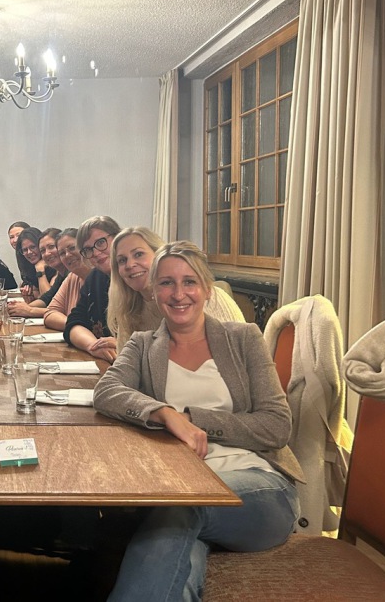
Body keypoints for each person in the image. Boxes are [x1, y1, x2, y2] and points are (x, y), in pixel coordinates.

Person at [94, 240, 302, 601]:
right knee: (176, 544)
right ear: (154, 292)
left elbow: (276, 426)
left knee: (179, 507)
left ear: (207, 289)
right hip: (177, 490)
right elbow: (106, 391)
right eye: (166, 283)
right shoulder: (142, 344)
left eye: (189, 282)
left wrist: (194, 419)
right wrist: (165, 413)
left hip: (259, 488)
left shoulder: (243, 339)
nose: (179, 294)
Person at [108, 227, 245, 352]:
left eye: (138, 254)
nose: (130, 264)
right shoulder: (128, 310)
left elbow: (238, 355)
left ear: (159, 255)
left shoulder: (206, 296)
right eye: (122, 260)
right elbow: (125, 362)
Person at [63, 215, 122, 362]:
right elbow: (74, 322)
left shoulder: (135, 277)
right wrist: (93, 346)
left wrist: (125, 344)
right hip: (107, 362)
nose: (95, 253)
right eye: (88, 249)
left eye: (101, 242)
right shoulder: (95, 277)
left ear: (118, 238)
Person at [9, 228, 67, 318]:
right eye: (43, 250)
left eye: (51, 247)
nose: (47, 253)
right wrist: (18, 308)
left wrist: (29, 310)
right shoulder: (61, 274)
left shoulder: (72, 273)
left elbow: (63, 310)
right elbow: (46, 298)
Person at [43, 229, 93, 331]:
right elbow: (50, 313)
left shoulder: (102, 278)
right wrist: (75, 326)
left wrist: (76, 327)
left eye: (72, 248)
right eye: (62, 253)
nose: (67, 255)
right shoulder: (72, 278)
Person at [14, 227, 48, 301]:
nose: (29, 252)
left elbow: (48, 299)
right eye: (25, 250)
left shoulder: (54, 267)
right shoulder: (28, 267)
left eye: (33, 247)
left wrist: (40, 271)